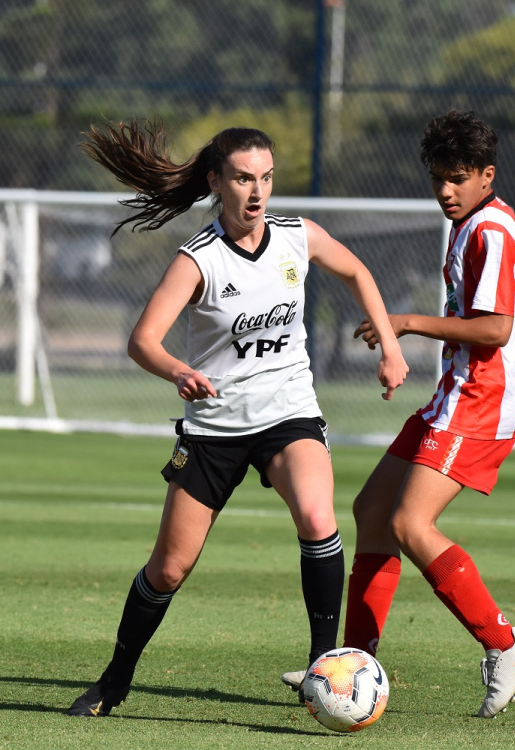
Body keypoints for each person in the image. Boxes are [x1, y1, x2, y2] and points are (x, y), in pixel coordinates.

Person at [66, 121, 409, 717]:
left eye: (266, 178)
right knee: (169, 569)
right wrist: (177, 370)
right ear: (216, 182)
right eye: (244, 178)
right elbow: (142, 341)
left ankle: (323, 670)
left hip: (289, 414)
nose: (257, 191)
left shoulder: (298, 237)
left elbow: (358, 272)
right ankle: (115, 680)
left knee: (317, 516)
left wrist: (392, 346)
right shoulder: (197, 259)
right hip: (214, 429)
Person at [282, 110, 515, 719]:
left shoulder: (489, 231)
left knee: (409, 524)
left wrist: (404, 322)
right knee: (371, 511)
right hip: (456, 392)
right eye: (437, 178)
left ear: (486, 175)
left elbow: (499, 326)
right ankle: (349, 664)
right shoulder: (475, 222)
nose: (444, 191)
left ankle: (507, 643)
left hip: (481, 401)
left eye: (457, 178)